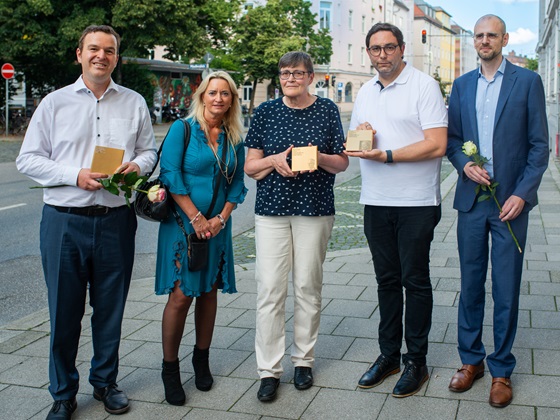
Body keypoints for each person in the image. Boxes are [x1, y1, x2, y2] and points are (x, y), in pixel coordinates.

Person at [16, 25, 157, 419]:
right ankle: (63, 393)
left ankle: (106, 382)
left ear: (117, 57)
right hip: (64, 222)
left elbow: (149, 151)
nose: (101, 56)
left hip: (115, 221)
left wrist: (138, 165)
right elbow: (28, 159)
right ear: (79, 54)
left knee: (110, 309)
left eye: (109, 50)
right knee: (64, 311)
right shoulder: (54, 103)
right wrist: (74, 174)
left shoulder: (134, 103)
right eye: (93, 49)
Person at [446, 15, 549, 408]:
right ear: (474, 41)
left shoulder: (527, 82)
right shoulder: (461, 85)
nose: (485, 40)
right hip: (472, 200)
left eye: (492, 35)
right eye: (479, 35)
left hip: (510, 205)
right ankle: (470, 361)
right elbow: (454, 140)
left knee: (505, 288)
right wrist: (463, 163)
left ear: (504, 39)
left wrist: (522, 194)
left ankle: (501, 369)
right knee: (470, 284)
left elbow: (540, 146)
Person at [345, 22, 447, 398]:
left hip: (416, 201)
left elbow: (436, 144)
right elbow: (354, 144)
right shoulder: (366, 90)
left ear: (402, 49)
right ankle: (388, 355)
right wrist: (362, 136)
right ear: (369, 52)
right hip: (375, 200)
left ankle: (415, 361)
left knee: (414, 281)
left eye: (389, 47)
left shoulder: (424, 86)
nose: (383, 54)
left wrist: (385, 154)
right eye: (375, 49)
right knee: (386, 280)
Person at [244, 51, 348, 402]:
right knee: (270, 290)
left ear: (310, 76)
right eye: (285, 73)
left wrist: (318, 157)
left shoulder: (327, 110)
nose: (291, 78)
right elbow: (250, 166)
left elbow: (342, 163)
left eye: (298, 73)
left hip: (314, 210)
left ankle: (303, 360)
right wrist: (274, 161)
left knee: (307, 286)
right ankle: (269, 370)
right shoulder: (265, 112)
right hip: (271, 212)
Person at [155, 71, 247, 406]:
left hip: (216, 228)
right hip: (183, 226)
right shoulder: (183, 128)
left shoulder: (234, 135)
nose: (219, 99)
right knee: (181, 296)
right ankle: (170, 369)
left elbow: (237, 185)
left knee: (208, 293)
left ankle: (201, 359)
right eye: (213, 93)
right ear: (202, 95)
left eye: (226, 94)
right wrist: (196, 217)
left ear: (232, 99)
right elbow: (170, 174)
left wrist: (221, 219)